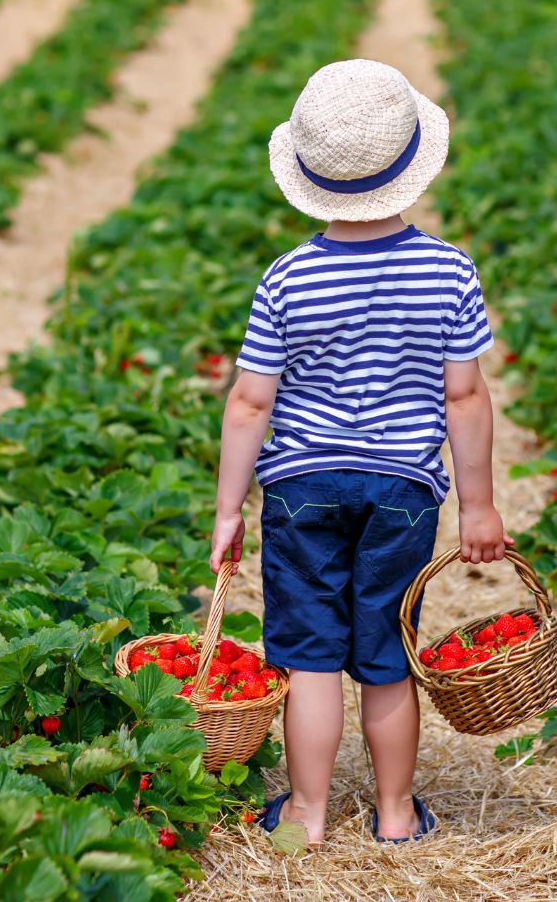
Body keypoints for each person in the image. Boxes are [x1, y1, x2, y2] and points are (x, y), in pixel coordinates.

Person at [209, 58, 511, 846]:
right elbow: (465, 398)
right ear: (412, 169)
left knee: (309, 655)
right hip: (401, 490)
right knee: (384, 651)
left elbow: (249, 402)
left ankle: (307, 815)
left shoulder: (287, 278)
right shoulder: (448, 270)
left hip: (301, 486)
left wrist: (226, 511)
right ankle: (397, 814)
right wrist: (477, 505)